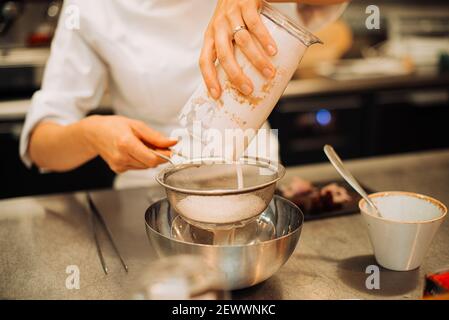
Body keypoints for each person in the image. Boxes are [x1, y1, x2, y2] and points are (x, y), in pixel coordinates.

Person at [20, 0, 348, 188]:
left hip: (251, 184)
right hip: (150, 193)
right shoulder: (92, 8)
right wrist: (92, 135)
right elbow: (40, 144)